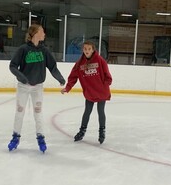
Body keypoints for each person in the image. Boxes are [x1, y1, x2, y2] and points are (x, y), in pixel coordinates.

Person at [8, 24, 65, 153]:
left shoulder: (44, 51)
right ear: (35, 33)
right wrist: (21, 77)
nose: (44, 34)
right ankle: (15, 137)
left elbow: (52, 66)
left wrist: (59, 78)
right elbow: (12, 66)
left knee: (38, 113)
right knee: (20, 112)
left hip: (37, 88)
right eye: (42, 31)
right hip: (23, 87)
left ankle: (41, 138)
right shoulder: (23, 49)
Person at [61, 39, 112, 144]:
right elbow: (73, 77)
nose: (87, 51)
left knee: (100, 111)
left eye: (89, 49)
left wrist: (106, 83)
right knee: (87, 111)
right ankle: (82, 131)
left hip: (101, 91)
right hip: (89, 92)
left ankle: (102, 131)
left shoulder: (100, 60)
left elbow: (107, 74)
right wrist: (67, 87)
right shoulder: (80, 63)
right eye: (85, 49)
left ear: (93, 50)